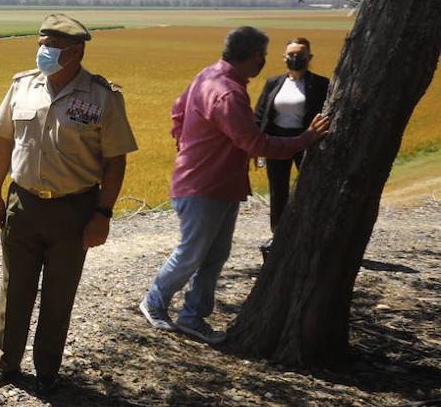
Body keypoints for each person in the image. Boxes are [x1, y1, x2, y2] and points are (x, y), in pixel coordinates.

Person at [140, 27, 331, 344]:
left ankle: (192, 317)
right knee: (192, 254)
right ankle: (154, 302)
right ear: (257, 58)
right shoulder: (228, 92)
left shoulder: (209, 75)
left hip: (219, 183)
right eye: (264, 56)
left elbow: (177, 111)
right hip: (205, 185)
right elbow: (255, 143)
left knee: (215, 255)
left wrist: (187, 147)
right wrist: (307, 139)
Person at [0, 15, 137, 393]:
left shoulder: (102, 96)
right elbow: (4, 142)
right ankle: (5, 363)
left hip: (74, 208)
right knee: (14, 286)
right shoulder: (22, 86)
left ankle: (47, 370)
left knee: (59, 291)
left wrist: (102, 214)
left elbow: (116, 160)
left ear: (77, 51)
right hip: (23, 202)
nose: (42, 52)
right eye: (40, 44)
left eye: (49, 47)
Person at [252, 37, 330, 249]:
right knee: (278, 189)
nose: (295, 58)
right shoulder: (274, 83)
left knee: (310, 187)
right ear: (284, 57)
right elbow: (260, 114)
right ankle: (278, 235)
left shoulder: (321, 84)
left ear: (309, 57)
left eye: (300, 55)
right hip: (276, 141)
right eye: (291, 54)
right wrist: (255, 144)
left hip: (307, 141)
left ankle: (311, 234)